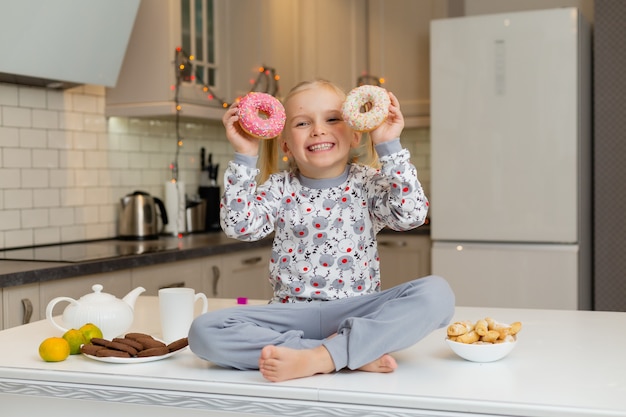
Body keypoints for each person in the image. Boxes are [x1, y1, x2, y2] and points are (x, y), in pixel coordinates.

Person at [188, 80, 455, 382]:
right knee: (203, 331)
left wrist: (388, 144)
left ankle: (324, 356)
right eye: (302, 123)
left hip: (357, 311)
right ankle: (345, 351)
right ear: (286, 143)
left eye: (332, 119)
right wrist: (246, 154)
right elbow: (239, 227)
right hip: (289, 316)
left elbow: (412, 215)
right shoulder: (279, 188)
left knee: (438, 294)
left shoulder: (368, 183)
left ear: (355, 133)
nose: (318, 130)